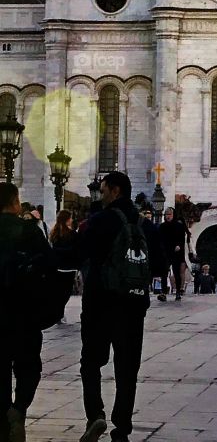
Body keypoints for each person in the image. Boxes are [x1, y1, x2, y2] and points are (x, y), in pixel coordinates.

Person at [60, 171, 154, 442]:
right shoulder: (144, 224)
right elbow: (158, 263)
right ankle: (122, 426)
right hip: (134, 304)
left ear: (114, 190)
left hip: (100, 302)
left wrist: (43, 258)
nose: (100, 196)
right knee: (127, 368)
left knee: (91, 361)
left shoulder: (100, 221)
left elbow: (77, 254)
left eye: (103, 191)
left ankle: (95, 414)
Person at [0, 181, 53, 442]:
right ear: (14, 202)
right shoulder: (30, 231)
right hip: (24, 314)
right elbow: (49, 268)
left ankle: (4, 419)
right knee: (29, 368)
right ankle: (17, 410)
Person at [159, 207, 189, 301]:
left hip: (176, 252)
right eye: (166, 215)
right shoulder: (162, 226)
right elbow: (159, 239)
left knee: (177, 272)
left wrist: (179, 246)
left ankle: (178, 292)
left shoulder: (179, 226)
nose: (167, 217)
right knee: (164, 272)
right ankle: (163, 292)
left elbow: (181, 239)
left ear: (173, 215)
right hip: (165, 252)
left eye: (169, 214)